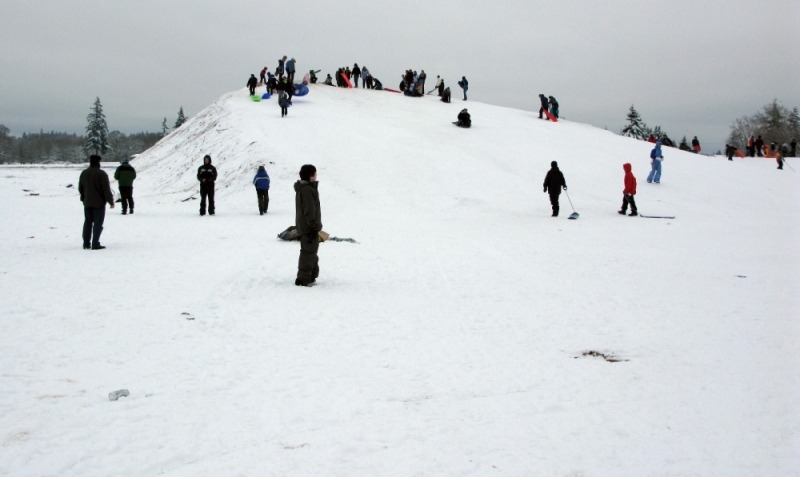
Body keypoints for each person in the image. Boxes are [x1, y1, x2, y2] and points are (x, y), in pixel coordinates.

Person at [79, 154, 115, 249]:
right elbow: (106, 190)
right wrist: (110, 201)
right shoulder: (101, 174)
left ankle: (86, 243)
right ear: (98, 162)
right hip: (99, 203)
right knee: (98, 223)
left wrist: (83, 197)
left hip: (87, 202)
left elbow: (80, 188)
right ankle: (95, 243)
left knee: (87, 222)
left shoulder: (84, 173)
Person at [294, 164, 322, 287]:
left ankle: (310, 276)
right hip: (308, 227)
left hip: (307, 226)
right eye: (315, 173)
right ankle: (303, 279)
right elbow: (309, 210)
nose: (316, 175)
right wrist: (314, 225)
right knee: (308, 252)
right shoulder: (307, 190)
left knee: (311, 251)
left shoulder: (306, 188)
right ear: (310, 175)